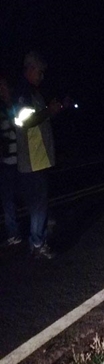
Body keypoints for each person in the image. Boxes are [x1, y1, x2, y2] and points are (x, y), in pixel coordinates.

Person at [13, 51, 64, 259]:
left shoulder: (33, 92)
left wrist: (52, 111)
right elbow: (24, 122)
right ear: (31, 69)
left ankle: (37, 239)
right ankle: (37, 242)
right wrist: (49, 111)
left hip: (38, 159)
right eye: (40, 72)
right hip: (33, 160)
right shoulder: (23, 93)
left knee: (39, 203)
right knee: (38, 204)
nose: (42, 76)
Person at [0, 72, 22, 247]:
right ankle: (13, 234)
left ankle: (44, 222)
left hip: (22, 161)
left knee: (31, 196)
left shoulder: (17, 105)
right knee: (7, 200)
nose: (1, 90)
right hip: (7, 162)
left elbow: (20, 128)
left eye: (4, 86)